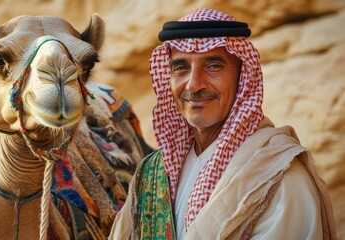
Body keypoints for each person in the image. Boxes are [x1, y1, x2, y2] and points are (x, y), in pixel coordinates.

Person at [109, 8, 337, 240]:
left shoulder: (278, 177)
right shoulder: (153, 173)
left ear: (242, 78)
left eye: (213, 66)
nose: (193, 85)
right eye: (181, 68)